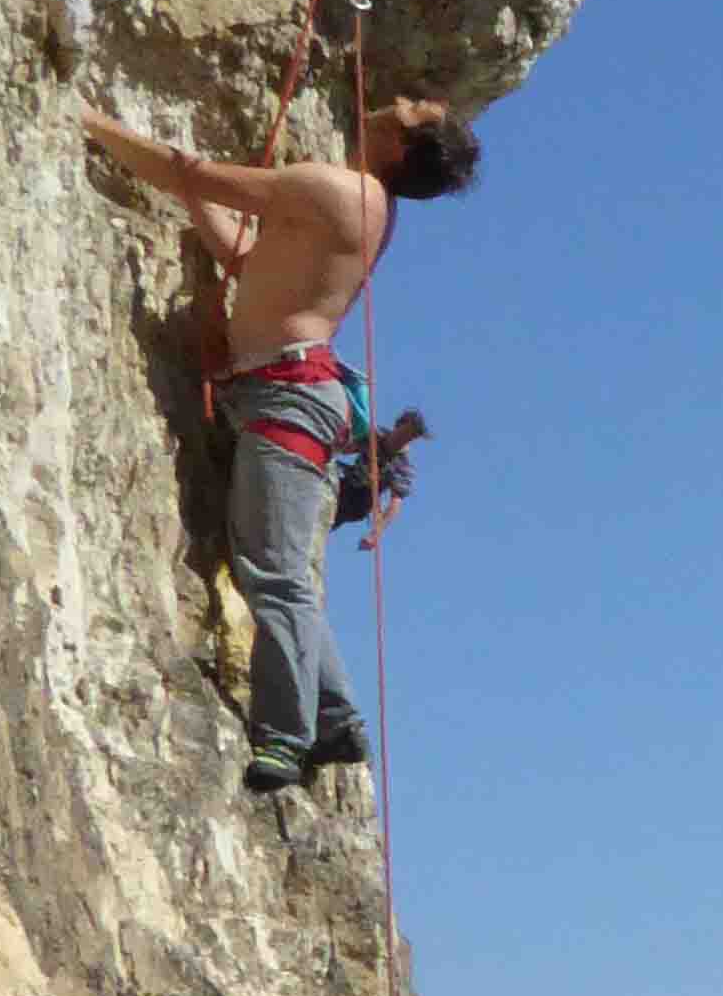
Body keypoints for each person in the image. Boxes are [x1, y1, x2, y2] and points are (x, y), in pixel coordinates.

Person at [82, 91, 482, 792]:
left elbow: (191, 171)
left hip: (287, 399)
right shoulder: (362, 207)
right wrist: (188, 193)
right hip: (292, 397)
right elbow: (244, 255)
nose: (402, 99)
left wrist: (86, 121)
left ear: (402, 148)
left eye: (416, 109)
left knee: (276, 572)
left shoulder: (337, 188)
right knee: (278, 565)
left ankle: (286, 736)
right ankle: (331, 717)